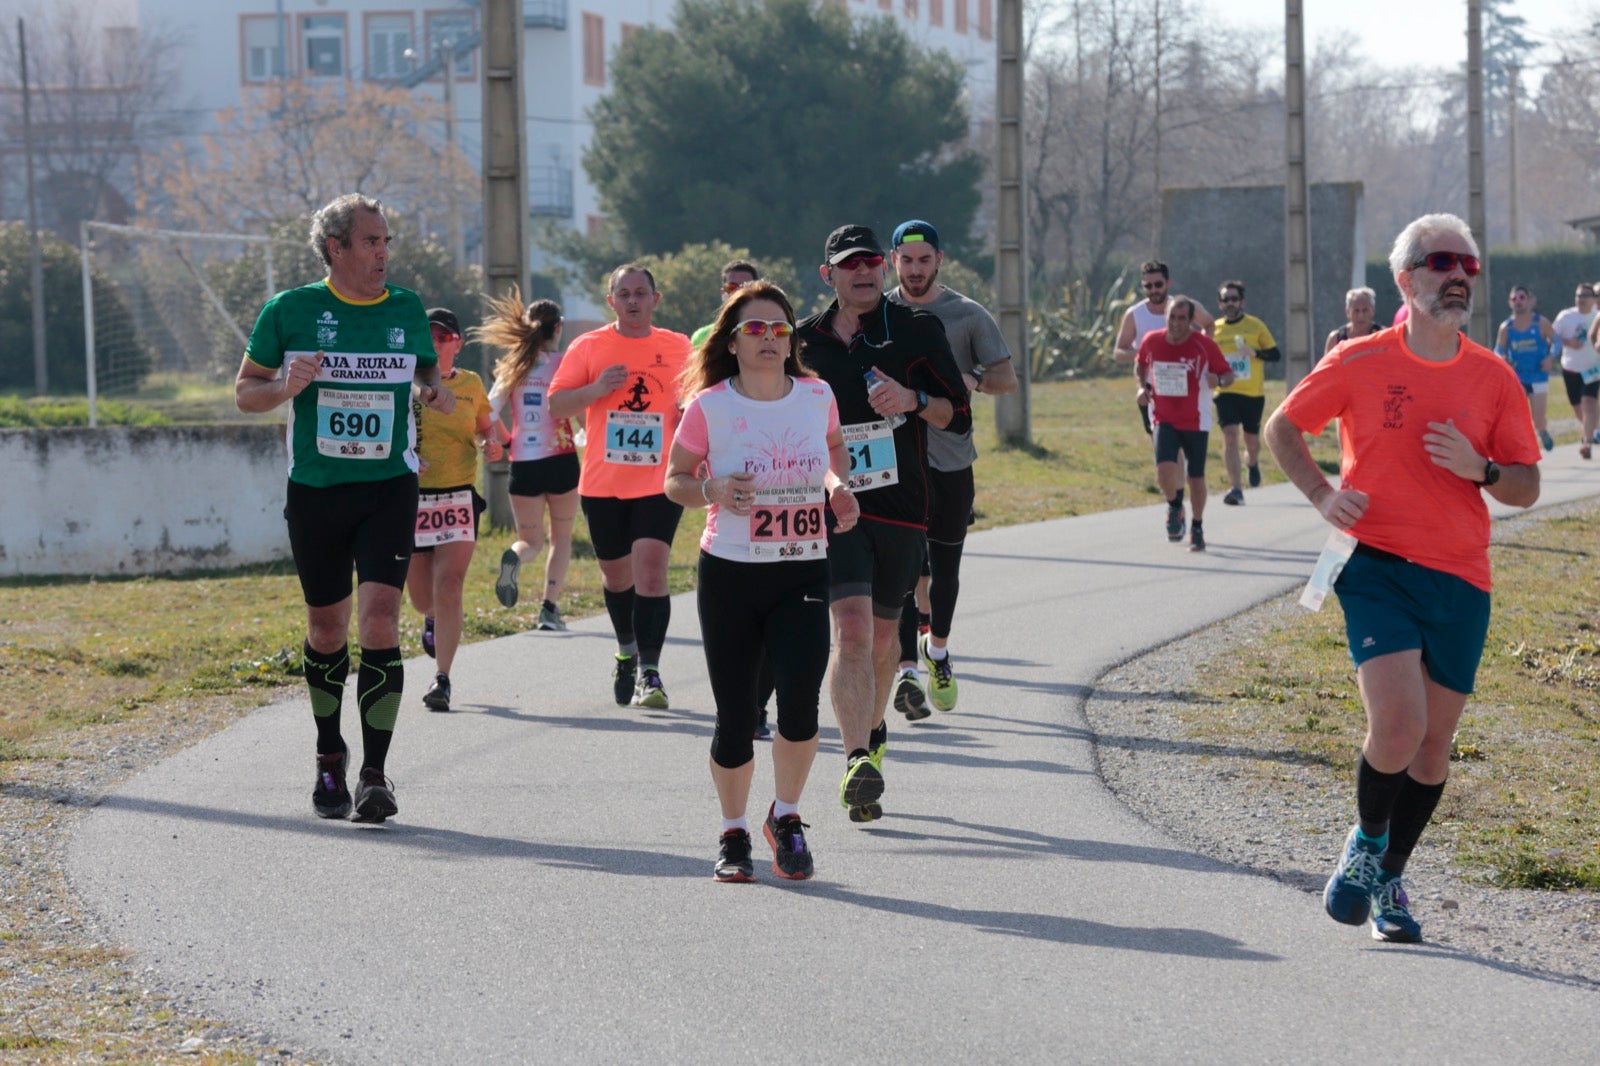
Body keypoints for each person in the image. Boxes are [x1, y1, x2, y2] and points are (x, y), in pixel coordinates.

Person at [1264, 212, 1540, 944]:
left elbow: (1527, 486)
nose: (1457, 274)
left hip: (1460, 576)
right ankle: (1364, 842)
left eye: (1467, 264)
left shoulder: (1494, 377)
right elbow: (1283, 428)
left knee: (1433, 747)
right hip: (1375, 563)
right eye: (1438, 260)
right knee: (1398, 722)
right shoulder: (1360, 360)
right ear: (1405, 278)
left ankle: (1389, 874)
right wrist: (1324, 495)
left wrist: (1479, 469)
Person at [234, 193, 455, 824]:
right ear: (336, 248)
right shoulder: (291, 310)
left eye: (387, 242)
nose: (383, 253)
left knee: (380, 619)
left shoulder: (406, 308)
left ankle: (375, 775)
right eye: (371, 242)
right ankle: (330, 752)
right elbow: (246, 392)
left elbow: (420, 376)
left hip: (388, 486)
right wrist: (283, 386)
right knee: (327, 630)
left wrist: (432, 392)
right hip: (318, 491)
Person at [665, 281, 860, 881]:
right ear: (733, 340)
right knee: (736, 715)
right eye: (756, 330)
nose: (771, 339)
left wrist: (837, 488)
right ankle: (732, 832)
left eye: (780, 330)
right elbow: (674, 479)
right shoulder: (710, 406)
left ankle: (789, 816)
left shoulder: (816, 394)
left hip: (802, 563)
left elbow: (833, 454)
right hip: (729, 572)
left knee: (800, 710)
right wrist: (712, 491)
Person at [795, 224, 970, 822]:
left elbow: (959, 417)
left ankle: (871, 736)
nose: (864, 271)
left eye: (872, 261)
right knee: (848, 628)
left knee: (881, 636)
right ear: (829, 275)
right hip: (833, 505)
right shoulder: (803, 344)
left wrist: (914, 399)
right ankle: (854, 759)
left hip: (902, 509)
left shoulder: (917, 330)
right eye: (850, 264)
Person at [884, 219, 1017, 719]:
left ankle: (936, 651)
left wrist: (973, 380)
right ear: (892, 261)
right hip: (894, 462)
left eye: (924, 260)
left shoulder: (966, 315)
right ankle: (906, 673)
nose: (915, 270)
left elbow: (1008, 379)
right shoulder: (882, 311)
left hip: (951, 460)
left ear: (939, 260)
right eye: (906, 260)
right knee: (898, 566)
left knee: (944, 568)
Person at [548, 265, 692, 709]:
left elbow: (696, 400)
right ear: (611, 301)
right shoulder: (588, 345)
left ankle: (651, 671)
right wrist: (595, 389)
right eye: (624, 293)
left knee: (651, 571)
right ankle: (627, 650)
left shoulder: (678, 346)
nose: (633, 300)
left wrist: (689, 414)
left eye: (641, 293)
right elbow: (556, 405)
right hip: (603, 483)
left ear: (655, 299)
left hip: (658, 480)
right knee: (616, 577)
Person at [406, 307, 500, 713]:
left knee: (451, 586)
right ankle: (432, 620)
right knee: (421, 597)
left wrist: (490, 444)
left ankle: (442, 678)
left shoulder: (472, 384)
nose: (434, 344)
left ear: (457, 344)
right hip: (413, 497)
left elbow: (485, 427)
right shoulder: (404, 382)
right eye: (428, 337)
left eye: (442, 337)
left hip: (459, 496)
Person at [481, 291, 580, 631]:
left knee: (532, 542)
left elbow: (489, 411)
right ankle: (549, 609)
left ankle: (516, 556)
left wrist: (507, 440)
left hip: (523, 462)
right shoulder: (566, 363)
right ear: (559, 328)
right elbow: (579, 410)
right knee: (561, 539)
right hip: (562, 459)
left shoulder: (514, 367)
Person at [1134, 295, 1234, 552]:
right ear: (1165, 317)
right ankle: (1175, 506)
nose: (1176, 324)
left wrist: (1218, 382)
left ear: (1191, 321)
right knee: (1163, 471)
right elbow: (1141, 364)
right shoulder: (1152, 340)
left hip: (1195, 420)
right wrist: (1142, 387)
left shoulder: (1203, 345)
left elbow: (1227, 374)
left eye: (1182, 319)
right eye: (1172, 318)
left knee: (1195, 477)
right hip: (1163, 417)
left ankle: (1197, 526)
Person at [1113, 259, 1214, 434]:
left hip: (1186, 385)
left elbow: (1209, 324)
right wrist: (1146, 352)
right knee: (1162, 450)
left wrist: (1202, 356)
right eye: (1148, 286)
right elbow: (1118, 353)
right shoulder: (1134, 314)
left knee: (1184, 442)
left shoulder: (1187, 307)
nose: (1153, 290)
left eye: (1158, 284)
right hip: (1151, 390)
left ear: (1168, 283)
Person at [1211, 280, 1281, 507]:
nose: (1230, 303)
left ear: (1242, 301)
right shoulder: (1215, 329)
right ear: (1220, 304)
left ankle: (1252, 462)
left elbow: (1275, 354)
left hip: (1252, 394)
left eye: (1234, 298)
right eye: (1225, 299)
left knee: (1252, 441)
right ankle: (1236, 488)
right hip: (1225, 391)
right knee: (1230, 435)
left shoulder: (1255, 326)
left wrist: (1255, 353)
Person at [1494, 285, 1556, 453]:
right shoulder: (1506, 327)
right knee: (1517, 416)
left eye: (1522, 298)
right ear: (1509, 303)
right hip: (1517, 377)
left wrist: (1550, 358)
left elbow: (1557, 342)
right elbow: (1498, 350)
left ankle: (1542, 431)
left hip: (1538, 376)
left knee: (1538, 418)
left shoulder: (1540, 322)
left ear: (1529, 301)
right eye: (1514, 299)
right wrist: (1502, 359)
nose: (1518, 302)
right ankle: (1525, 446)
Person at [1551, 283, 1598, 460]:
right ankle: (1593, 430)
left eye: (1586, 296)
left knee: (1589, 403)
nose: (1581, 299)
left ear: (1593, 299)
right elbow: (1553, 336)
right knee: (1578, 407)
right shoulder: (1566, 316)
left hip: (1592, 369)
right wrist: (1567, 342)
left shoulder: (1597, 316)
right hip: (1570, 368)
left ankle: (1587, 443)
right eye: (1579, 296)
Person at [690, 260, 761, 349]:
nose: (738, 292)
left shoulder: (769, 333)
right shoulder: (702, 338)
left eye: (745, 287)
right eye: (732, 287)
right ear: (723, 292)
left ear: (757, 291)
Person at [1323, 287, 1379, 360]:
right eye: (1356, 310)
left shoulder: (1381, 335)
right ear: (1347, 312)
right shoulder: (1336, 338)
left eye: (1365, 310)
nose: (1360, 315)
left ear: (1373, 311)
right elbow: (1327, 368)